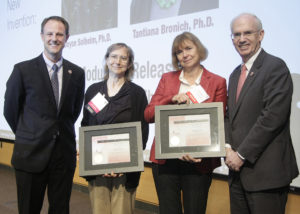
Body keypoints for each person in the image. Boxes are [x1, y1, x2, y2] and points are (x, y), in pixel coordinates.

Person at [3, 16, 85, 214]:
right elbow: (10, 111)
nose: (54, 38)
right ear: (42, 36)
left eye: (59, 34)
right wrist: (30, 132)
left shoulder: (77, 73)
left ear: (67, 37)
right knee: (29, 209)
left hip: (62, 157)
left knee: (60, 209)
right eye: (49, 33)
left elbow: (72, 113)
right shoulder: (23, 70)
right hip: (30, 154)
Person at [144, 32, 227, 214]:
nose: (184, 54)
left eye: (188, 48)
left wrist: (198, 151)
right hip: (166, 161)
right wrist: (170, 99)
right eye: (179, 52)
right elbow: (148, 115)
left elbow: (218, 123)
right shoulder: (167, 79)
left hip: (199, 161)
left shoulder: (217, 82)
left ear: (199, 49)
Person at [225, 13, 299, 214]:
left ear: (261, 35)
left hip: (266, 176)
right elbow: (229, 117)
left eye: (248, 33)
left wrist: (240, 155)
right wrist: (227, 148)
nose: (241, 39)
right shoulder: (234, 75)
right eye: (236, 34)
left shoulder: (275, 67)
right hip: (237, 176)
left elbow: (272, 118)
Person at [81, 43, 149, 214]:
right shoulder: (93, 90)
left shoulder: (137, 93)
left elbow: (142, 132)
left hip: (125, 170)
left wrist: (125, 165)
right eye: (113, 56)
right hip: (97, 166)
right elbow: (86, 123)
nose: (117, 61)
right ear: (106, 59)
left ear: (129, 63)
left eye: (123, 57)